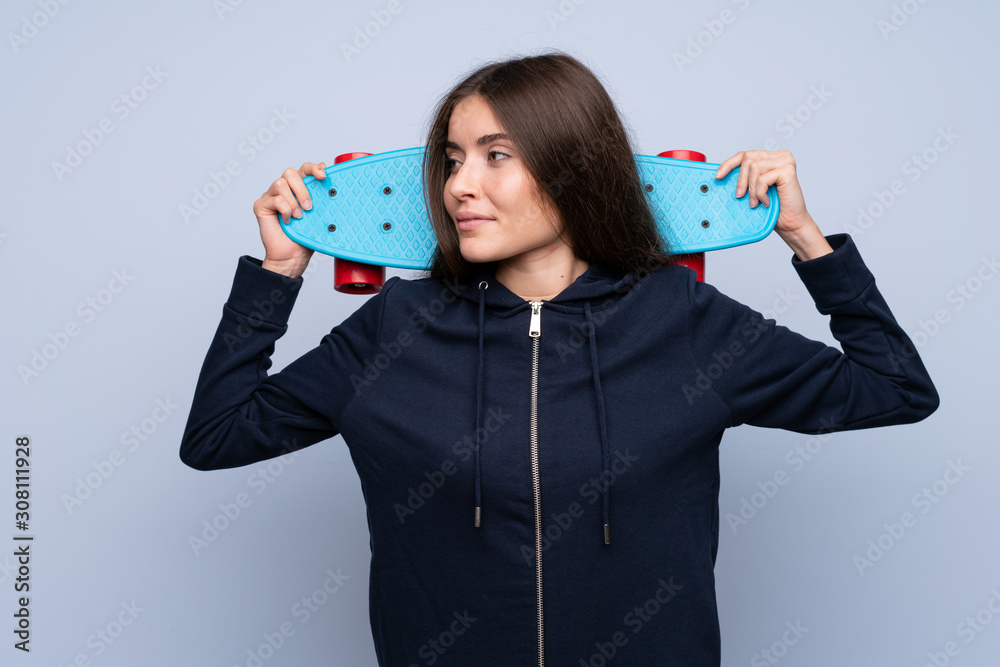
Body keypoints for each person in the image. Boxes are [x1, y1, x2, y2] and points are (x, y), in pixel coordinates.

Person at [180, 52, 938, 666]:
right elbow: (217, 435)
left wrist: (807, 237)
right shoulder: (395, 331)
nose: (459, 187)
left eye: (495, 156)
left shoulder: (681, 322)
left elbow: (895, 386)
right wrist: (277, 274)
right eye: (452, 160)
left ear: (575, 168)